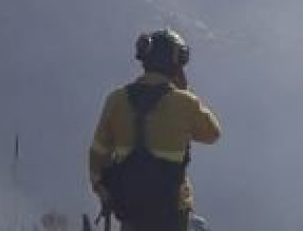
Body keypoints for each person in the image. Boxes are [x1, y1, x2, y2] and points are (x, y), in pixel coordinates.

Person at [88, 29, 221, 231]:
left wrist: (102, 191)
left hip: (130, 211)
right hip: (173, 213)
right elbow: (212, 134)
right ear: (175, 64)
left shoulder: (116, 100)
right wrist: (184, 90)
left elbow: (98, 153)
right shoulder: (185, 103)